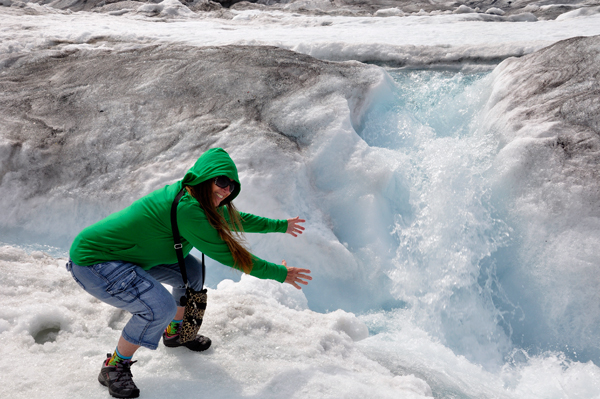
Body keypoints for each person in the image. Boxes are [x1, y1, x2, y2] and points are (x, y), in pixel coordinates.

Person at [66, 148, 311, 399]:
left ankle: (175, 333)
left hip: (130, 255)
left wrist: (280, 226)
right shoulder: (188, 210)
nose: (227, 190)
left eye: (232, 186)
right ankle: (114, 365)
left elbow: (234, 218)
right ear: (204, 178)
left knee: (192, 271)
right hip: (95, 261)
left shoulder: (198, 198)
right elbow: (231, 255)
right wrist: (281, 273)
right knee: (158, 307)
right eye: (222, 181)